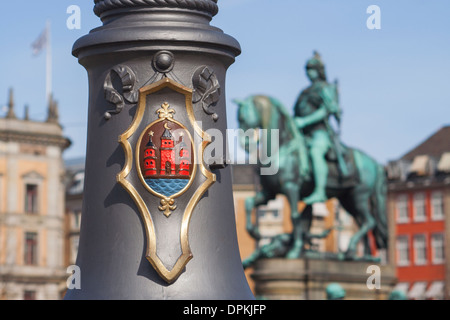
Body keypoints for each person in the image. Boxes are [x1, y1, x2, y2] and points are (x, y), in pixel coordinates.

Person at [294, 52, 343, 205]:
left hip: (320, 133)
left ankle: (320, 191)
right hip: (302, 134)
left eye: (312, 69)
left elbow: (326, 110)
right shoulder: (304, 92)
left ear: (319, 70)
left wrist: (304, 121)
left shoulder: (325, 88)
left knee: (316, 152)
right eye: (307, 70)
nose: (309, 73)